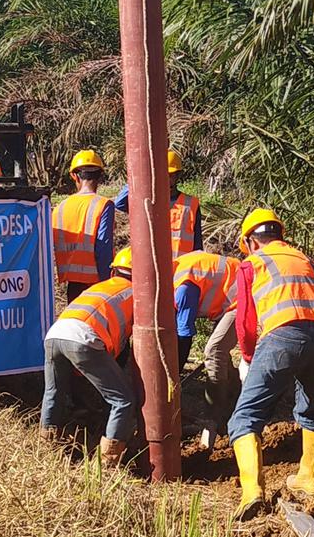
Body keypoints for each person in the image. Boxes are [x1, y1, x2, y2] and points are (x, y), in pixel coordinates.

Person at [228, 209, 314, 519]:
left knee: (245, 416)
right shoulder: (304, 259)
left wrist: (248, 357)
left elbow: (246, 322)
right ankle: (310, 481)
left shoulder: (253, 263)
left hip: (282, 336)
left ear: (250, 241)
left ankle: (252, 492)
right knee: (312, 406)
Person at [41, 248, 137, 466]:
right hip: (84, 338)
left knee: (54, 393)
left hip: (55, 334)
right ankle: (108, 463)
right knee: (123, 401)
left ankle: (46, 451)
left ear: (114, 272)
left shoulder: (100, 287)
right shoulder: (137, 294)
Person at [173, 249, 240, 448]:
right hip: (228, 299)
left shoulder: (184, 287)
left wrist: (173, 377)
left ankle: (214, 418)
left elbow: (184, 336)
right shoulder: (173, 272)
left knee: (215, 350)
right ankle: (237, 397)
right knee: (219, 353)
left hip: (246, 297)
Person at [53, 150, 116, 300]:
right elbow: (103, 247)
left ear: (74, 176)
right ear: (100, 176)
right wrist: (107, 283)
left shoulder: (59, 208)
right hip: (95, 283)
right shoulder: (103, 205)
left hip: (72, 284)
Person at [114, 149, 201, 256]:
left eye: (171, 175)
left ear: (178, 175)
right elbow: (120, 203)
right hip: (153, 267)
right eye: (163, 175)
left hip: (181, 269)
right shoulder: (147, 201)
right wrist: (140, 175)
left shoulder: (191, 204)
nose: (168, 180)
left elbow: (197, 245)